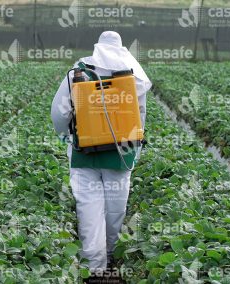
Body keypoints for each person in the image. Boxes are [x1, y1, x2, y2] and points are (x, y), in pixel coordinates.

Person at [51, 31, 152, 282]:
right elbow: (139, 115)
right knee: (115, 208)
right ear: (121, 48)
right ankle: (110, 256)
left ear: (97, 47)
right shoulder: (132, 73)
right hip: (121, 154)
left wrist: (67, 136)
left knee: (89, 206)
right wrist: (134, 149)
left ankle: (93, 265)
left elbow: (59, 112)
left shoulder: (80, 69)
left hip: (84, 151)